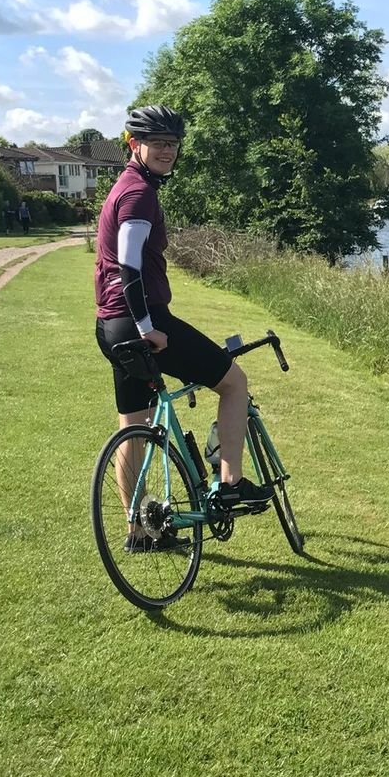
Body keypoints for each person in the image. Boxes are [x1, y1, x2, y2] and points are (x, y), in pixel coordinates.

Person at [93, 104, 271, 550]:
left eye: (173, 144)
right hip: (144, 323)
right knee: (233, 383)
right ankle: (231, 483)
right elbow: (129, 268)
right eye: (158, 143)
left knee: (133, 426)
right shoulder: (139, 194)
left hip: (110, 325)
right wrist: (147, 326)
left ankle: (138, 533)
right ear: (133, 144)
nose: (167, 151)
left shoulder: (124, 187)